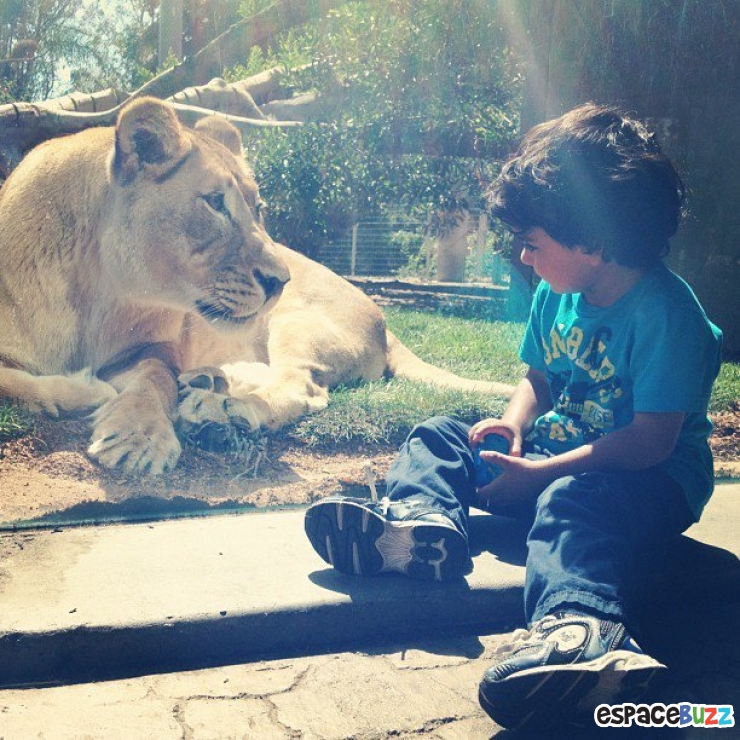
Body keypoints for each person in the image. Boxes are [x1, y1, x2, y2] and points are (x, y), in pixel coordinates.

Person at [303, 103, 723, 731]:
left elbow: (649, 443)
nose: (524, 260)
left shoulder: (669, 317)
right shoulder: (560, 294)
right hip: (554, 460)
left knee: (572, 508)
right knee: (441, 434)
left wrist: (542, 474)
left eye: (532, 244)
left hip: (646, 484)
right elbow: (538, 379)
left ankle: (582, 629)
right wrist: (513, 428)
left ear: (595, 239)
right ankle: (422, 530)